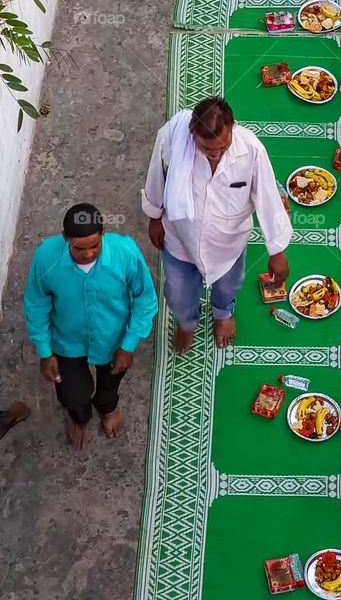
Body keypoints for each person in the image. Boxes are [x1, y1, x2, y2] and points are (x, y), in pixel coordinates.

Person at [142, 96, 292, 354]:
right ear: (192, 132)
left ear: (232, 127)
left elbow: (267, 195)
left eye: (222, 147)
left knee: (228, 286)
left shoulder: (251, 150)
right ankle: (187, 323)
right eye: (207, 149)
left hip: (229, 241)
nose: (216, 153)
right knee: (177, 293)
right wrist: (155, 216)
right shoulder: (172, 137)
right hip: (181, 238)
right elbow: (157, 174)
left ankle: (223, 314)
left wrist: (277, 250)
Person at [23, 204, 157, 449]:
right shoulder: (45, 258)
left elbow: (145, 299)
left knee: (111, 380)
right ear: (65, 239)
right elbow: (36, 304)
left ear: (104, 232)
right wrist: (44, 351)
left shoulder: (125, 252)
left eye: (95, 246)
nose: (88, 254)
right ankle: (79, 416)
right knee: (71, 394)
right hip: (67, 341)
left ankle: (108, 407)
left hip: (113, 338)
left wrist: (129, 344)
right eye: (79, 248)